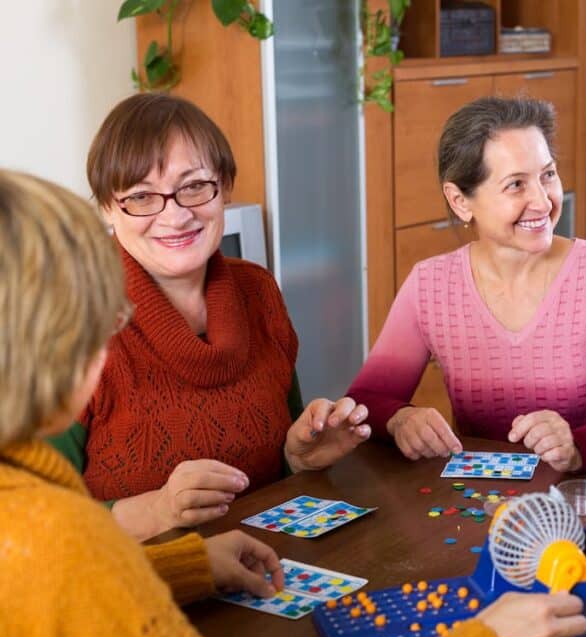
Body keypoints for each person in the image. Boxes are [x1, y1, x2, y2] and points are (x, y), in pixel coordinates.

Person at [0, 169, 586, 637]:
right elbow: (62, 572)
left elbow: (43, 591)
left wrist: (181, 566)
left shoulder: (42, 529)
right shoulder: (62, 539)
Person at [48, 93, 370, 541]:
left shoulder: (258, 292)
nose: (176, 215)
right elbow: (25, 519)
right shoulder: (68, 327)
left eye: (194, 186)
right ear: (106, 207)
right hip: (138, 592)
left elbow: (271, 463)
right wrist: (157, 511)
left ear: (225, 187)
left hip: (264, 573)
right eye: (141, 196)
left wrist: (298, 458)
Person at [348, 97, 586, 473]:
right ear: (461, 201)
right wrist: (399, 419)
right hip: (478, 509)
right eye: (516, 185)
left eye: (548, 174)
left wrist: (575, 446)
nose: (542, 202)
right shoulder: (430, 285)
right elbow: (366, 400)